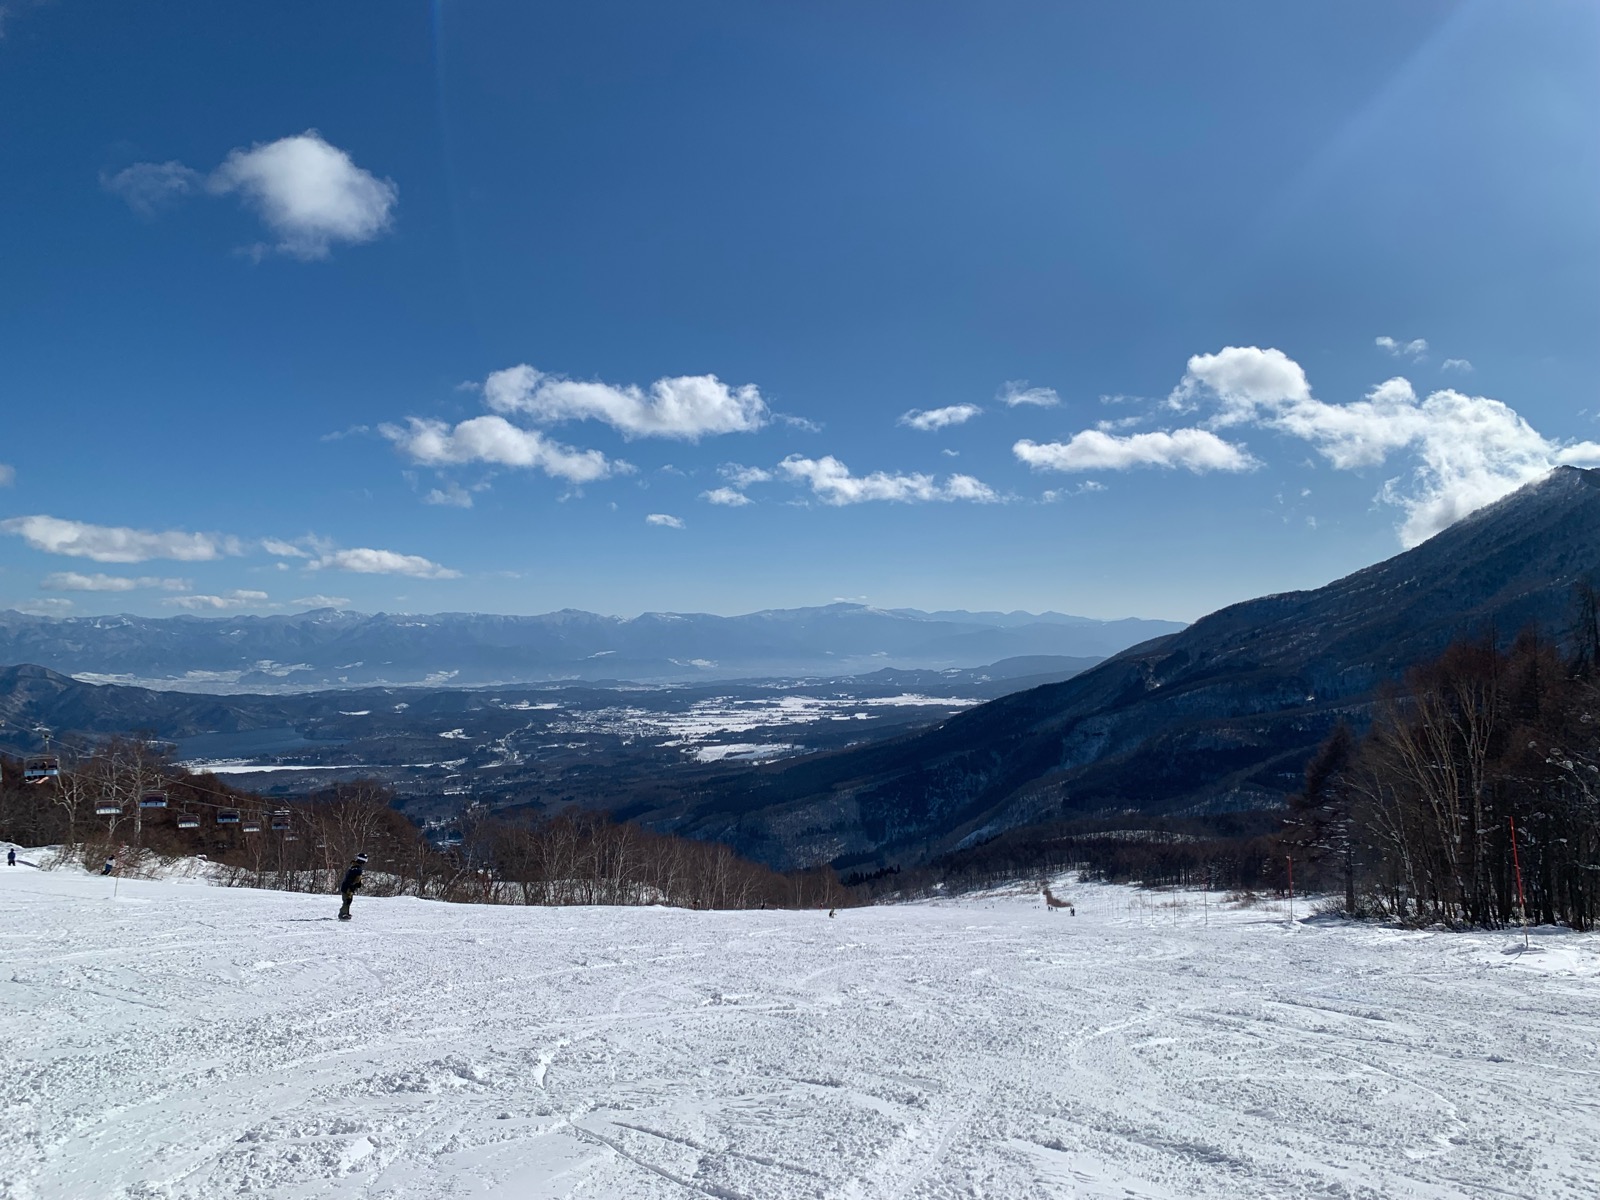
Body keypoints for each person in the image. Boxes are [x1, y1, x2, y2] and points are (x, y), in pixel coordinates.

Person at [338, 854, 367, 921]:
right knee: (347, 900)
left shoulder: (354, 867)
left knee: (348, 900)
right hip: (348, 887)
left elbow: (355, 879)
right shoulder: (357, 869)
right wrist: (351, 887)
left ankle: (346, 913)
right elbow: (355, 879)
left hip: (347, 887)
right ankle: (342, 914)